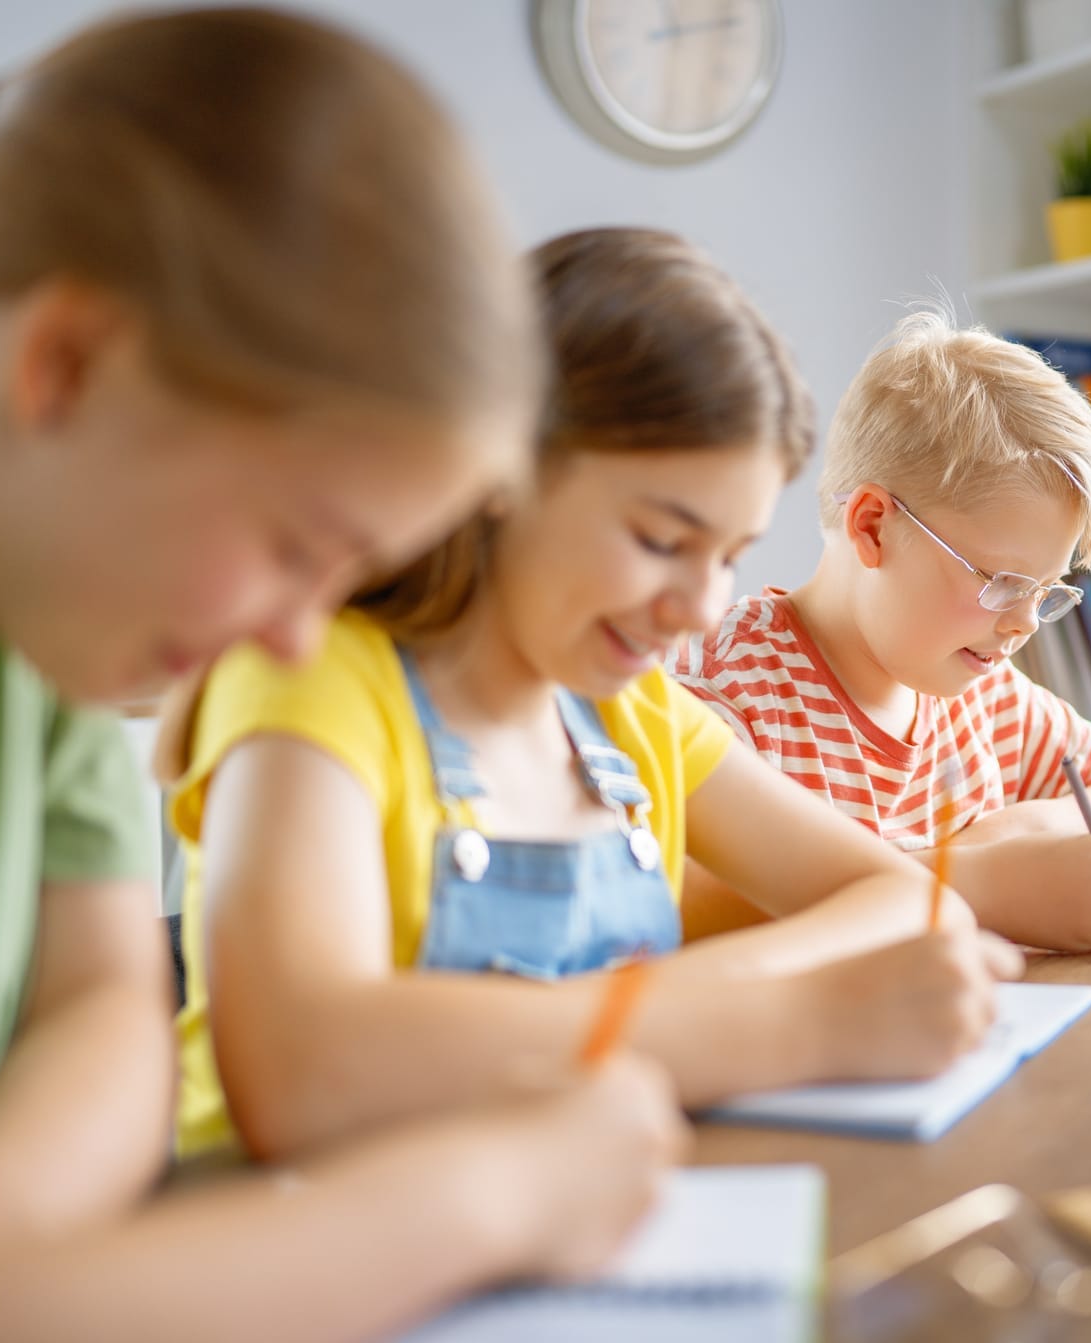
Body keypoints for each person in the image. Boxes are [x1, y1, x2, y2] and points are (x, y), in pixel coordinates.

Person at [0, 10, 682, 1340]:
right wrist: (484, 1196)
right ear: (66, 367)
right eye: (297, 546)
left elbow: (101, 1004)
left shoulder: (55, 628)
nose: (301, 639)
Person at [168, 229, 1019, 1161]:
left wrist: (718, 1006)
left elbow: (903, 898)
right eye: (661, 539)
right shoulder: (313, 682)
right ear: (503, 469)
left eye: (730, 556)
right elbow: (304, 1069)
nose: (700, 606)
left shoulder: (633, 711)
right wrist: (777, 1020)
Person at [674, 310, 1091, 953]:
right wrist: (968, 884)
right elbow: (687, 904)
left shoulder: (982, 691)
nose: (1025, 622)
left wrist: (1018, 832)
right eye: (1002, 581)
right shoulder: (729, 683)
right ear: (872, 527)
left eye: (1047, 592)